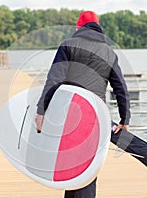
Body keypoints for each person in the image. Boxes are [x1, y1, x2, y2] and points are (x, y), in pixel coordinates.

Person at [35, 11, 131, 198]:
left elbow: (54, 80)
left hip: (69, 115)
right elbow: (121, 88)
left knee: (70, 166)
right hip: (96, 117)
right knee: (88, 169)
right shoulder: (109, 53)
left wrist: (42, 110)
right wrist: (124, 119)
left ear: (78, 28)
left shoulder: (68, 46)